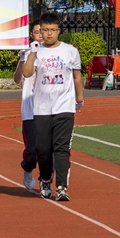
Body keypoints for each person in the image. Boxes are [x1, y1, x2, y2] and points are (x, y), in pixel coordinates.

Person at [21, 13, 83, 201]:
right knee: (43, 149)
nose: (49, 34)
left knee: (62, 148)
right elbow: (27, 73)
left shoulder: (70, 51)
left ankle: (62, 186)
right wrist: (32, 52)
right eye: (45, 30)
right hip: (41, 108)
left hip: (64, 106)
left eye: (52, 30)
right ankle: (46, 180)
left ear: (58, 31)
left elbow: (77, 76)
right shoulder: (37, 52)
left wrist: (79, 98)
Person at [14, 22, 43, 187]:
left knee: (45, 150)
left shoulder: (50, 54)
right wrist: (21, 60)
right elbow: (17, 79)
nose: (40, 34)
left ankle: (44, 179)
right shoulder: (27, 54)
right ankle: (27, 170)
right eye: (37, 32)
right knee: (32, 150)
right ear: (32, 35)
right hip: (29, 111)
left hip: (46, 109)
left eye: (42, 31)